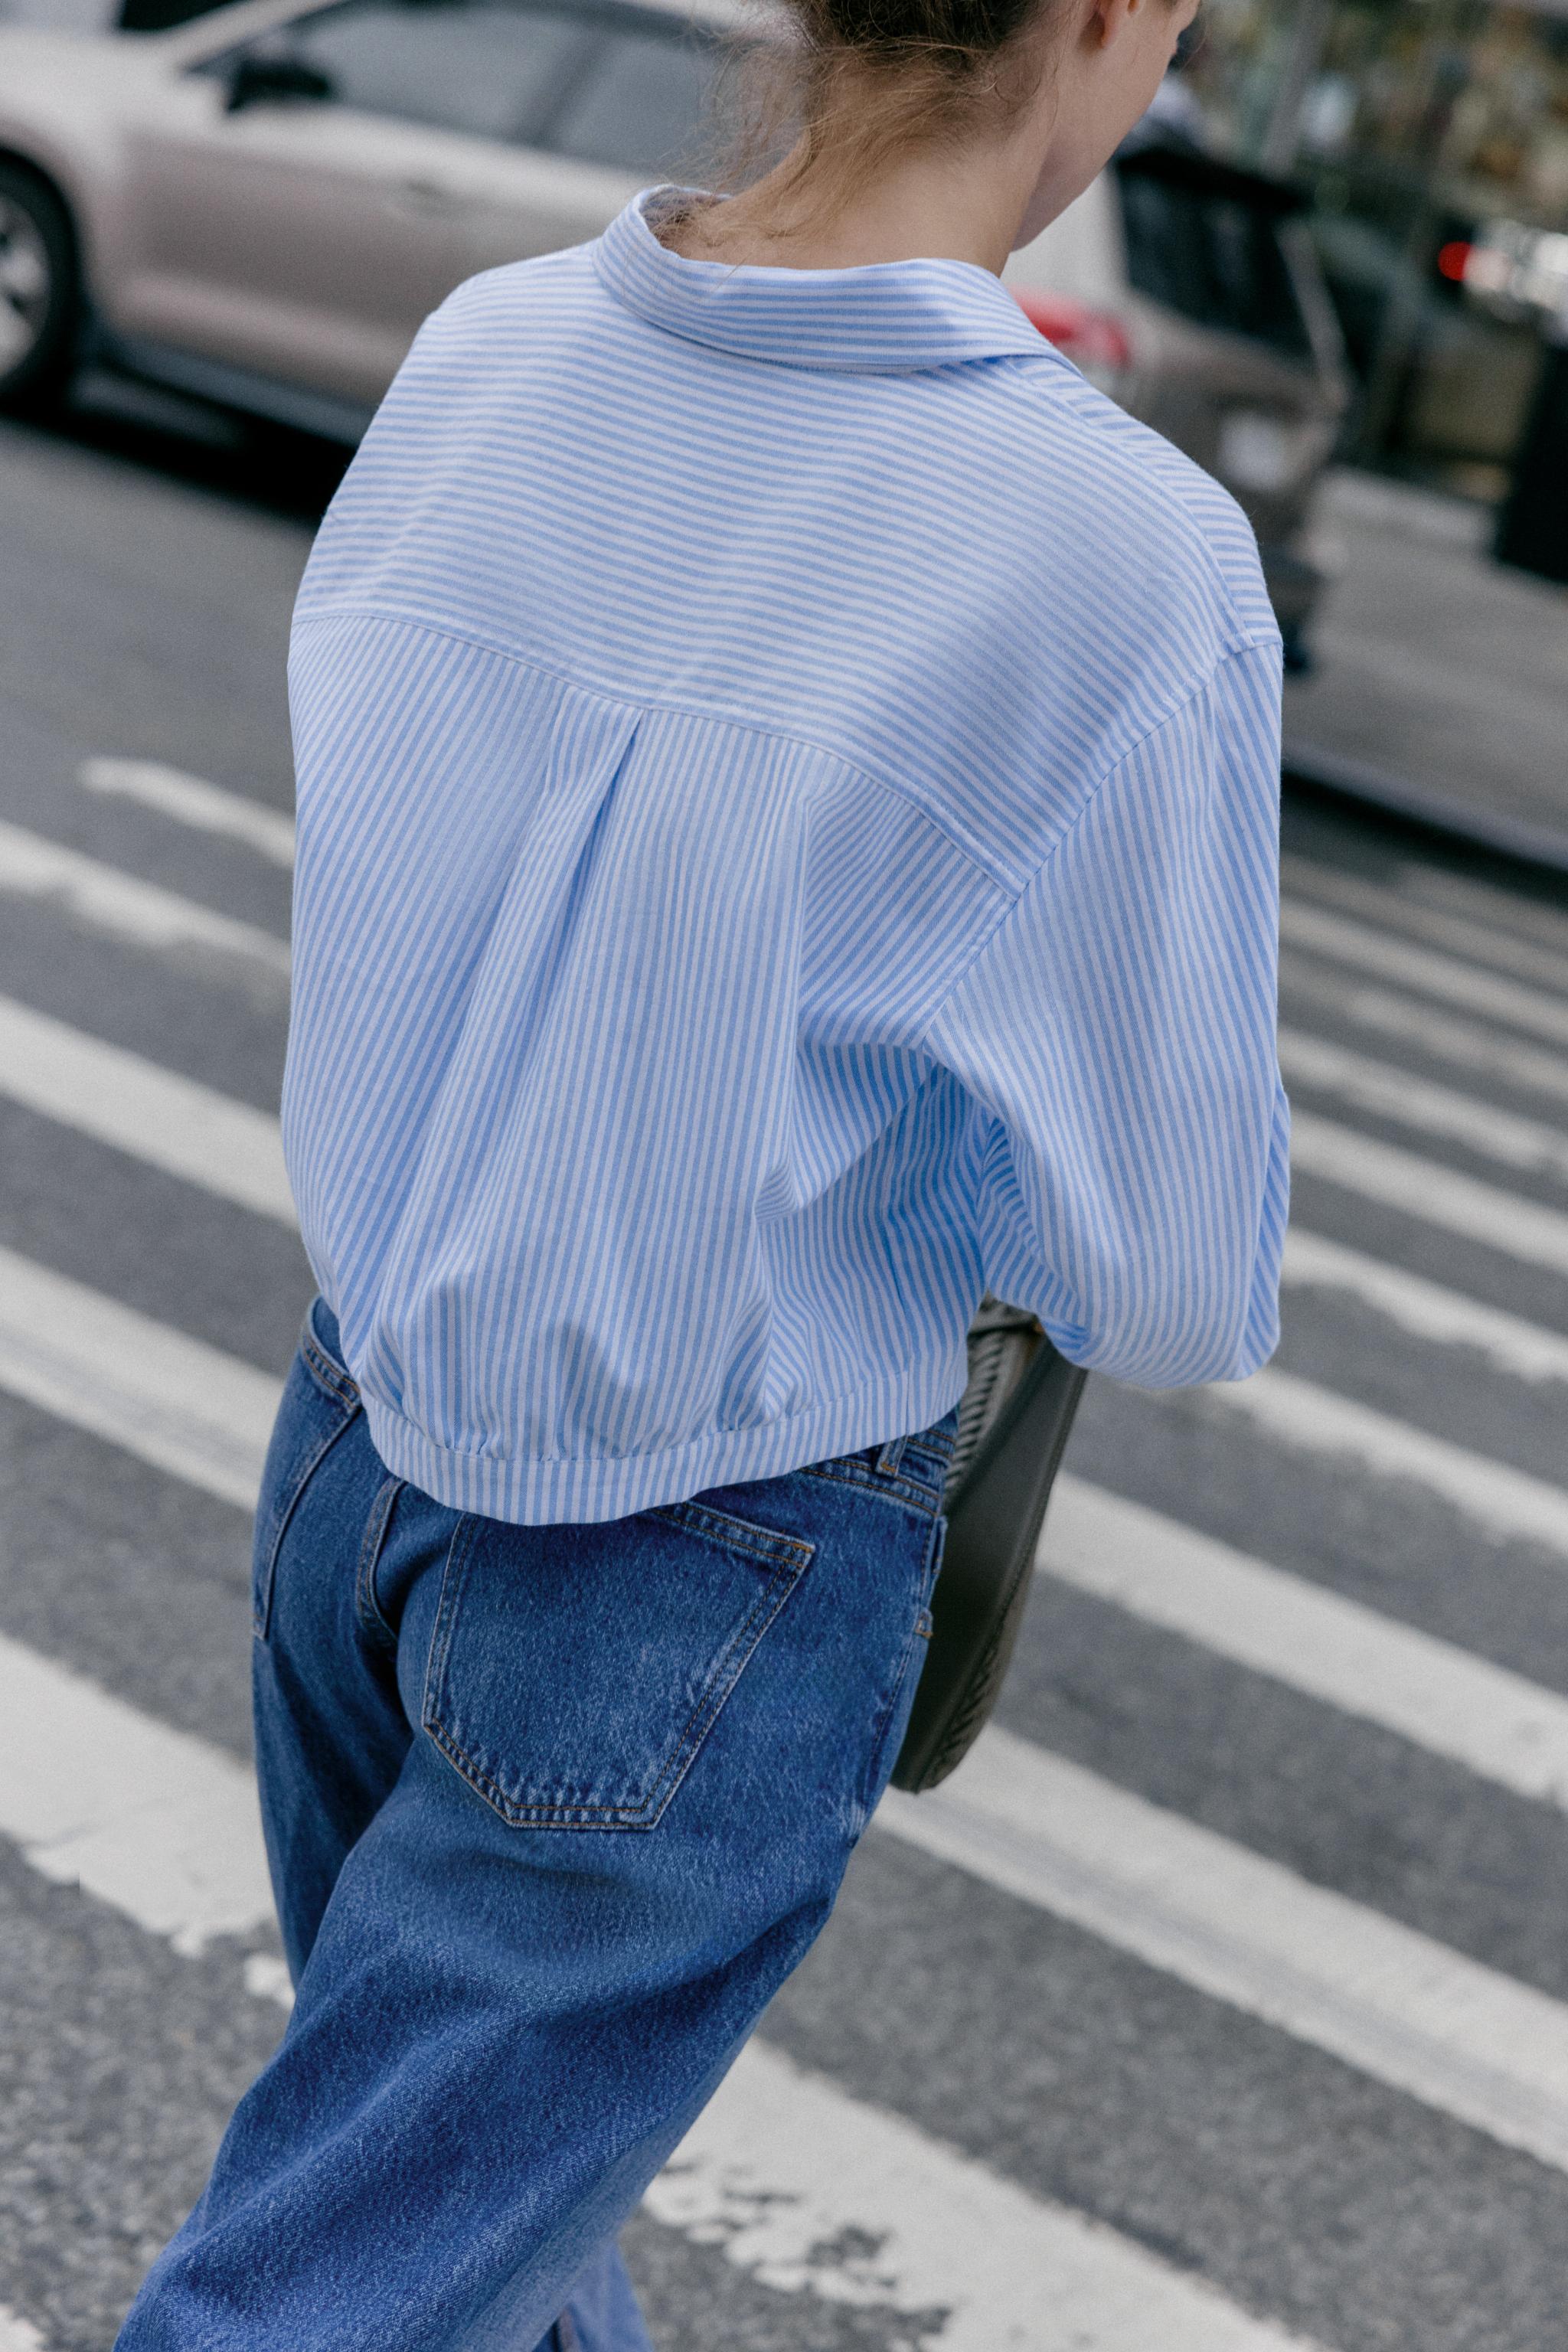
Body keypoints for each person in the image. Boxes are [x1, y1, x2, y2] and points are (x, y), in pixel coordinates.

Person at [114, 0, 1289, 2335]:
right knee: (352, 2281)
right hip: (709, 1535)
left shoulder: (493, 350)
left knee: (470, 2225)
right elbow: (1171, 1272)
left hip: (362, 1428)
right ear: (1099, 18)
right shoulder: (1125, 552)